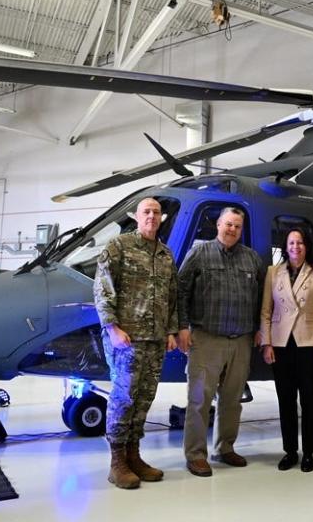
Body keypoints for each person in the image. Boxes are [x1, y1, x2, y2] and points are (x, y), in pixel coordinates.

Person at [93, 197, 178, 489]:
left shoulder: (165, 254)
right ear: (137, 216)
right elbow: (102, 287)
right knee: (123, 398)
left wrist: (171, 330)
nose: (152, 216)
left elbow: (172, 297)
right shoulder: (119, 247)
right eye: (146, 212)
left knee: (144, 399)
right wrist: (112, 327)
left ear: (161, 218)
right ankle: (117, 462)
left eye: (156, 212)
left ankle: (134, 455)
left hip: (155, 341)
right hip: (126, 339)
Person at [177, 207, 265, 477]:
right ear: (218, 225)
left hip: (241, 340)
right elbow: (181, 291)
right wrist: (181, 327)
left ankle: (225, 448)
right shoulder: (199, 254)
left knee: (232, 400)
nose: (232, 230)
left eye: (237, 226)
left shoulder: (251, 259)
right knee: (199, 400)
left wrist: (260, 328)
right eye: (228, 225)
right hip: (206, 338)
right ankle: (195, 454)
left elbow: (262, 297)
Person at [260, 228, 313, 472]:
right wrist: (267, 343)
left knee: (310, 400)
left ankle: (309, 452)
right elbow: (266, 311)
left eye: (300, 243)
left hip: (309, 343)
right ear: (285, 246)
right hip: (281, 345)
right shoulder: (274, 272)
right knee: (286, 400)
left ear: (307, 246)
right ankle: (290, 451)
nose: (295, 247)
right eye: (291, 243)